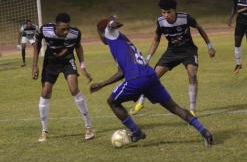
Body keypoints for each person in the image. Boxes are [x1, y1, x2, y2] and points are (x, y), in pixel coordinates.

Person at [90, 17, 215, 146]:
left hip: (136, 78)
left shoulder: (111, 36)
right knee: (174, 107)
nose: (100, 38)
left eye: (99, 35)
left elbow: (112, 25)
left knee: (112, 102)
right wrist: (102, 84)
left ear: (103, 32)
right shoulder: (122, 41)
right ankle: (204, 131)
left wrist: (112, 23)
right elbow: (121, 72)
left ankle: (136, 132)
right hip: (150, 75)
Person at [131, 0, 216, 116]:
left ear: (174, 10)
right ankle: (140, 102)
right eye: (163, 12)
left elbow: (200, 28)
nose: (166, 15)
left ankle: (192, 109)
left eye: (168, 12)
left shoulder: (185, 18)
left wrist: (210, 46)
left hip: (188, 51)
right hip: (172, 52)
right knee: (152, 76)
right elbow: (156, 40)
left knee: (192, 74)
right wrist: (148, 58)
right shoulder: (160, 21)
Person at [32, 13, 95, 142]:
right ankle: (44, 131)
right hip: (51, 61)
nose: (66, 31)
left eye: (68, 28)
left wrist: (83, 66)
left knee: (74, 89)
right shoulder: (45, 30)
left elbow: (78, 47)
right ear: (56, 26)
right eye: (63, 29)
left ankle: (89, 127)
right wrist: (34, 65)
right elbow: (37, 43)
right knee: (45, 92)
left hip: (67, 60)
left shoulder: (75, 33)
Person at [228, 0, 247, 73]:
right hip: (240, 21)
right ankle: (238, 64)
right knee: (237, 42)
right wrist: (230, 18)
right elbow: (234, 7)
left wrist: (245, 9)